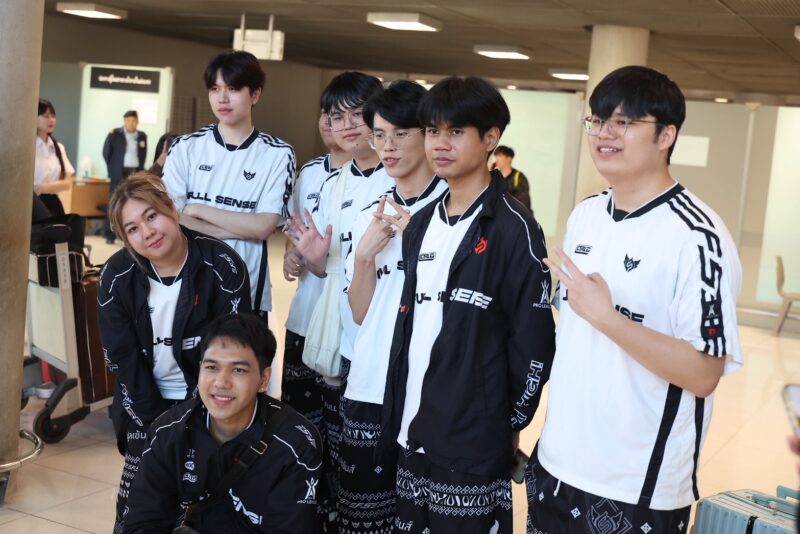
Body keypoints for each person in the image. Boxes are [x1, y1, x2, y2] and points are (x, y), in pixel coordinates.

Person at [526, 66, 743, 534]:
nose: (604, 133)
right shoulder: (586, 215)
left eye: (623, 122)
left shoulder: (698, 237)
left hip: (635, 486)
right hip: (556, 464)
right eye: (597, 120)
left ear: (666, 135)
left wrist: (609, 319)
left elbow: (704, 373)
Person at [377, 76, 556, 533]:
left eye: (456, 132)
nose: (440, 144)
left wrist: (506, 423)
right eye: (433, 131)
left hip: (472, 443)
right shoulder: (420, 224)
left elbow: (535, 342)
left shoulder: (515, 230)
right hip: (411, 431)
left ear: (490, 138)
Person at [97, 172, 252, 533]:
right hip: (144, 404)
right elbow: (123, 360)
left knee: (206, 509)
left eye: (151, 216)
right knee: (139, 509)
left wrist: (195, 421)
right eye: (133, 229)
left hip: (210, 402)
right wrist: (159, 429)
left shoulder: (222, 266)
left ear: (170, 207)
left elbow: (232, 356)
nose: (147, 232)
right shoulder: (116, 276)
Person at [338, 80, 448, 533]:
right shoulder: (369, 210)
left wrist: (415, 242)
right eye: (379, 135)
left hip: (427, 392)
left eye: (401, 134)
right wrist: (364, 258)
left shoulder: (451, 212)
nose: (388, 147)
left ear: (428, 134)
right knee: (360, 516)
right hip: (369, 383)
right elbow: (360, 313)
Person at [285, 71, 391, 530]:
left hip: (379, 343)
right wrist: (311, 259)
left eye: (357, 115)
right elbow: (329, 269)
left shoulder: (400, 178)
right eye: (336, 116)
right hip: (335, 337)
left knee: (365, 463)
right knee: (325, 447)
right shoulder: (332, 183)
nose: (346, 125)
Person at [123, 313, 323, 533]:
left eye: (238, 370)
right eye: (212, 367)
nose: (221, 382)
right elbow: (142, 523)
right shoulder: (168, 432)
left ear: (264, 379)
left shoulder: (295, 443)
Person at [163, 50, 295, 318]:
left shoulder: (278, 154)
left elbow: (264, 226)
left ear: (255, 94)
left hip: (247, 291)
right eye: (215, 88)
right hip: (187, 286)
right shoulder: (184, 148)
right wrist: (240, 229)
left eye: (233, 88)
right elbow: (170, 219)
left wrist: (197, 209)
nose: (222, 98)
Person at [281, 110, 347, 429]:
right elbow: (292, 232)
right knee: (296, 422)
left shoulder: (381, 177)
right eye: (327, 114)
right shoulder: (308, 172)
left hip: (343, 328)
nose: (331, 122)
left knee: (337, 427)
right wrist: (290, 256)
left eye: (346, 114)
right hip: (303, 319)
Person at [103, 110, 147, 243]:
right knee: (114, 202)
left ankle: (128, 234)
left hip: (134, 173)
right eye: (128, 120)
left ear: (137, 122)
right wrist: (113, 169)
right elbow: (106, 153)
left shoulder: (142, 136)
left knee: (132, 203)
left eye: (133, 120)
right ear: (124, 121)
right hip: (118, 174)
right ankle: (109, 235)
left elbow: (143, 154)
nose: (131, 123)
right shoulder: (114, 134)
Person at [34, 99, 75, 216]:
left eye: (53, 116)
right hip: (34, 204)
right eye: (46, 116)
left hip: (54, 203)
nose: (51, 120)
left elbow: (67, 183)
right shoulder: (30, 148)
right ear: (34, 118)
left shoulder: (58, 147)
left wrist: (40, 188)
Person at [492, 145, 531, 211]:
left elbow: (524, 203)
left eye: (500, 155)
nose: (496, 159)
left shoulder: (518, 177)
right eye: (495, 156)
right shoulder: (494, 177)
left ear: (509, 158)